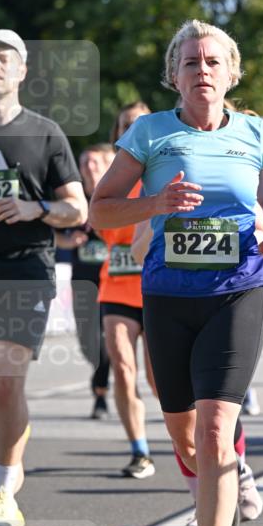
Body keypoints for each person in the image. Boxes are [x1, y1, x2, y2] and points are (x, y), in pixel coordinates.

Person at [89, 19, 263, 526]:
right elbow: (102, 210)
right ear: (174, 76)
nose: (201, 70)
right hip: (169, 296)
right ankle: (231, 471)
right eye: (189, 62)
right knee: (182, 434)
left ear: (231, 73)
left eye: (212, 62)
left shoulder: (256, 133)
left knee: (213, 428)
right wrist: (156, 203)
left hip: (238, 289)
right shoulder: (149, 133)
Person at [0, 28, 87, 526]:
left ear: (23, 70)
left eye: (4, 57)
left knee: (8, 381)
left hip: (23, 268)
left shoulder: (45, 133)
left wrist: (37, 207)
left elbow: (78, 208)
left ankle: (4, 491)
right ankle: (11, 438)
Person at [129, 213, 263, 526]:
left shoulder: (230, 173)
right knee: (182, 412)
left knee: (215, 409)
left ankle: (221, 490)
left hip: (225, 300)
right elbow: (137, 252)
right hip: (171, 301)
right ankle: (222, 485)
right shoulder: (156, 180)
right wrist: (162, 213)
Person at [94, 104, 157, 479]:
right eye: (125, 126)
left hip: (156, 288)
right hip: (116, 287)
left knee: (159, 379)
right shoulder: (111, 179)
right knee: (121, 366)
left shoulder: (162, 173)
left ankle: (188, 442)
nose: (133, 129)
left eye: (139, 124)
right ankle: (140, 450)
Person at [55, 144, 114, 419]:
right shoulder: (74, 199)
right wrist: (66, 240)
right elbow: (49, 230)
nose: (89, 168)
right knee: (88, 342)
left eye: (95, 163)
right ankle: (101, 377)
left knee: (111, 340)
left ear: (106, 166)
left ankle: (100, 392)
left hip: (114, 281)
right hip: (83, 281)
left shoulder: (116, 195)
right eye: (84, 163)